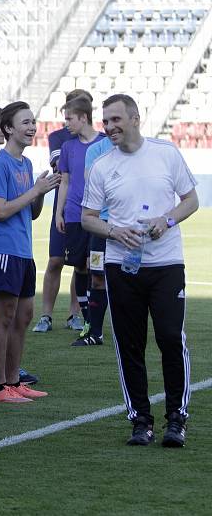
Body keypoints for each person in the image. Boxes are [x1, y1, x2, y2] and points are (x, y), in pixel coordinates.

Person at [82, 94, 197, 448]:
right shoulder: (101, 166)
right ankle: (141, 420)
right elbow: (87, 218)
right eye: (106, 121)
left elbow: (190, 199)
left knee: (169, 338)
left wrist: (166, 220)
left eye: (116, 119)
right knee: (130, 345)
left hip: (165, 265)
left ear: (135, 118)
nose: (110, 127)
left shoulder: (166, 154)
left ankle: (176, 418)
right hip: (122, 266)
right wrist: (115, 231)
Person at [0, 101, 59, 404]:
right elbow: (0, 211)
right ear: (8, 128)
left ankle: (15, 381)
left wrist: (41, 190)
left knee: (24, 315)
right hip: (4, 249)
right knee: (4, 316)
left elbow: (32, 211)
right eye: (25, 122)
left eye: (33, 122)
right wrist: (34, 192)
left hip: (23, 250)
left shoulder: (26, 165)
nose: (32, 127)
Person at [33, 90, 93, 333]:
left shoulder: (99, 141)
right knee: (56, 259)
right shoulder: (59, 137)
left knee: (82, 265)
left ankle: (74, 313)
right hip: (65, 206)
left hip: (89, 210)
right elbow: (60, 168)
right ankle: (46, 314)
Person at [53, 96, 105, 346]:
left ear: (83, 117)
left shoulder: (106, 144)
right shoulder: (68, 147)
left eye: (69, 119)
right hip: (74, 217)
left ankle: (97, 326)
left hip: (98, 219)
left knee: (97, 270)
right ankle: (88, 322)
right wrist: (58, 212)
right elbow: (65, 180)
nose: (66, 125)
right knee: (80, 268)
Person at [82, 134, 114, 346]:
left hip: (128, 223)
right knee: (96, 276)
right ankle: (95, 333)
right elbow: (91, 183)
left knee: (129, 278)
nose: (111, 126)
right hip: (100, 226)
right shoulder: (95, 150)